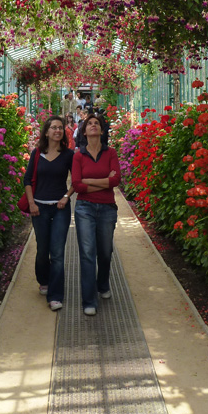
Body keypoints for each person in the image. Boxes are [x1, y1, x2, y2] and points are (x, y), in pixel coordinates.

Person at [71, 113, 121, 316]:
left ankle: (103, 284)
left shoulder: (111, 153)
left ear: (102, 130)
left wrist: (88, 180)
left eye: (97, 124)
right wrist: (103, 182)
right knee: (87, 252)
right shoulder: (78, 155)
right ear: (84, 131)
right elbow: (76, 185)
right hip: (85, 208)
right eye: (89, 124)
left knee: (106, 252)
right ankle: (89, 300)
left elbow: (115, 180)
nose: (93, 126)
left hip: (107, 208)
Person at [23, 115, 74, 311]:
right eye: (53, 127)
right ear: (46, 132)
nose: (57, 130)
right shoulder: (37, 153)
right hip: (39, 208)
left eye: (60, 127)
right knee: (43, 250)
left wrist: (66, 196)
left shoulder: (68, 155)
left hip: (60, 207)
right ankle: (43, 279)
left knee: (58, 252)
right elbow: (27, 180)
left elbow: (76, 180)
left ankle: (56, 295)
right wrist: (31, 203)